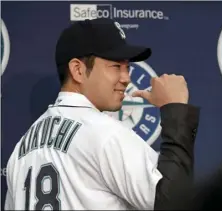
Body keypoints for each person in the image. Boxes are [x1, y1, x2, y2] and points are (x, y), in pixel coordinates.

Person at [5, 18, 200, 210]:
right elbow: (174, 203)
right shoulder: (104, 134)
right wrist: (175, 110)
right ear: (78, 70)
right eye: (116, 66)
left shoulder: (20, 150)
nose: (126, 78)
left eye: (127, 68)